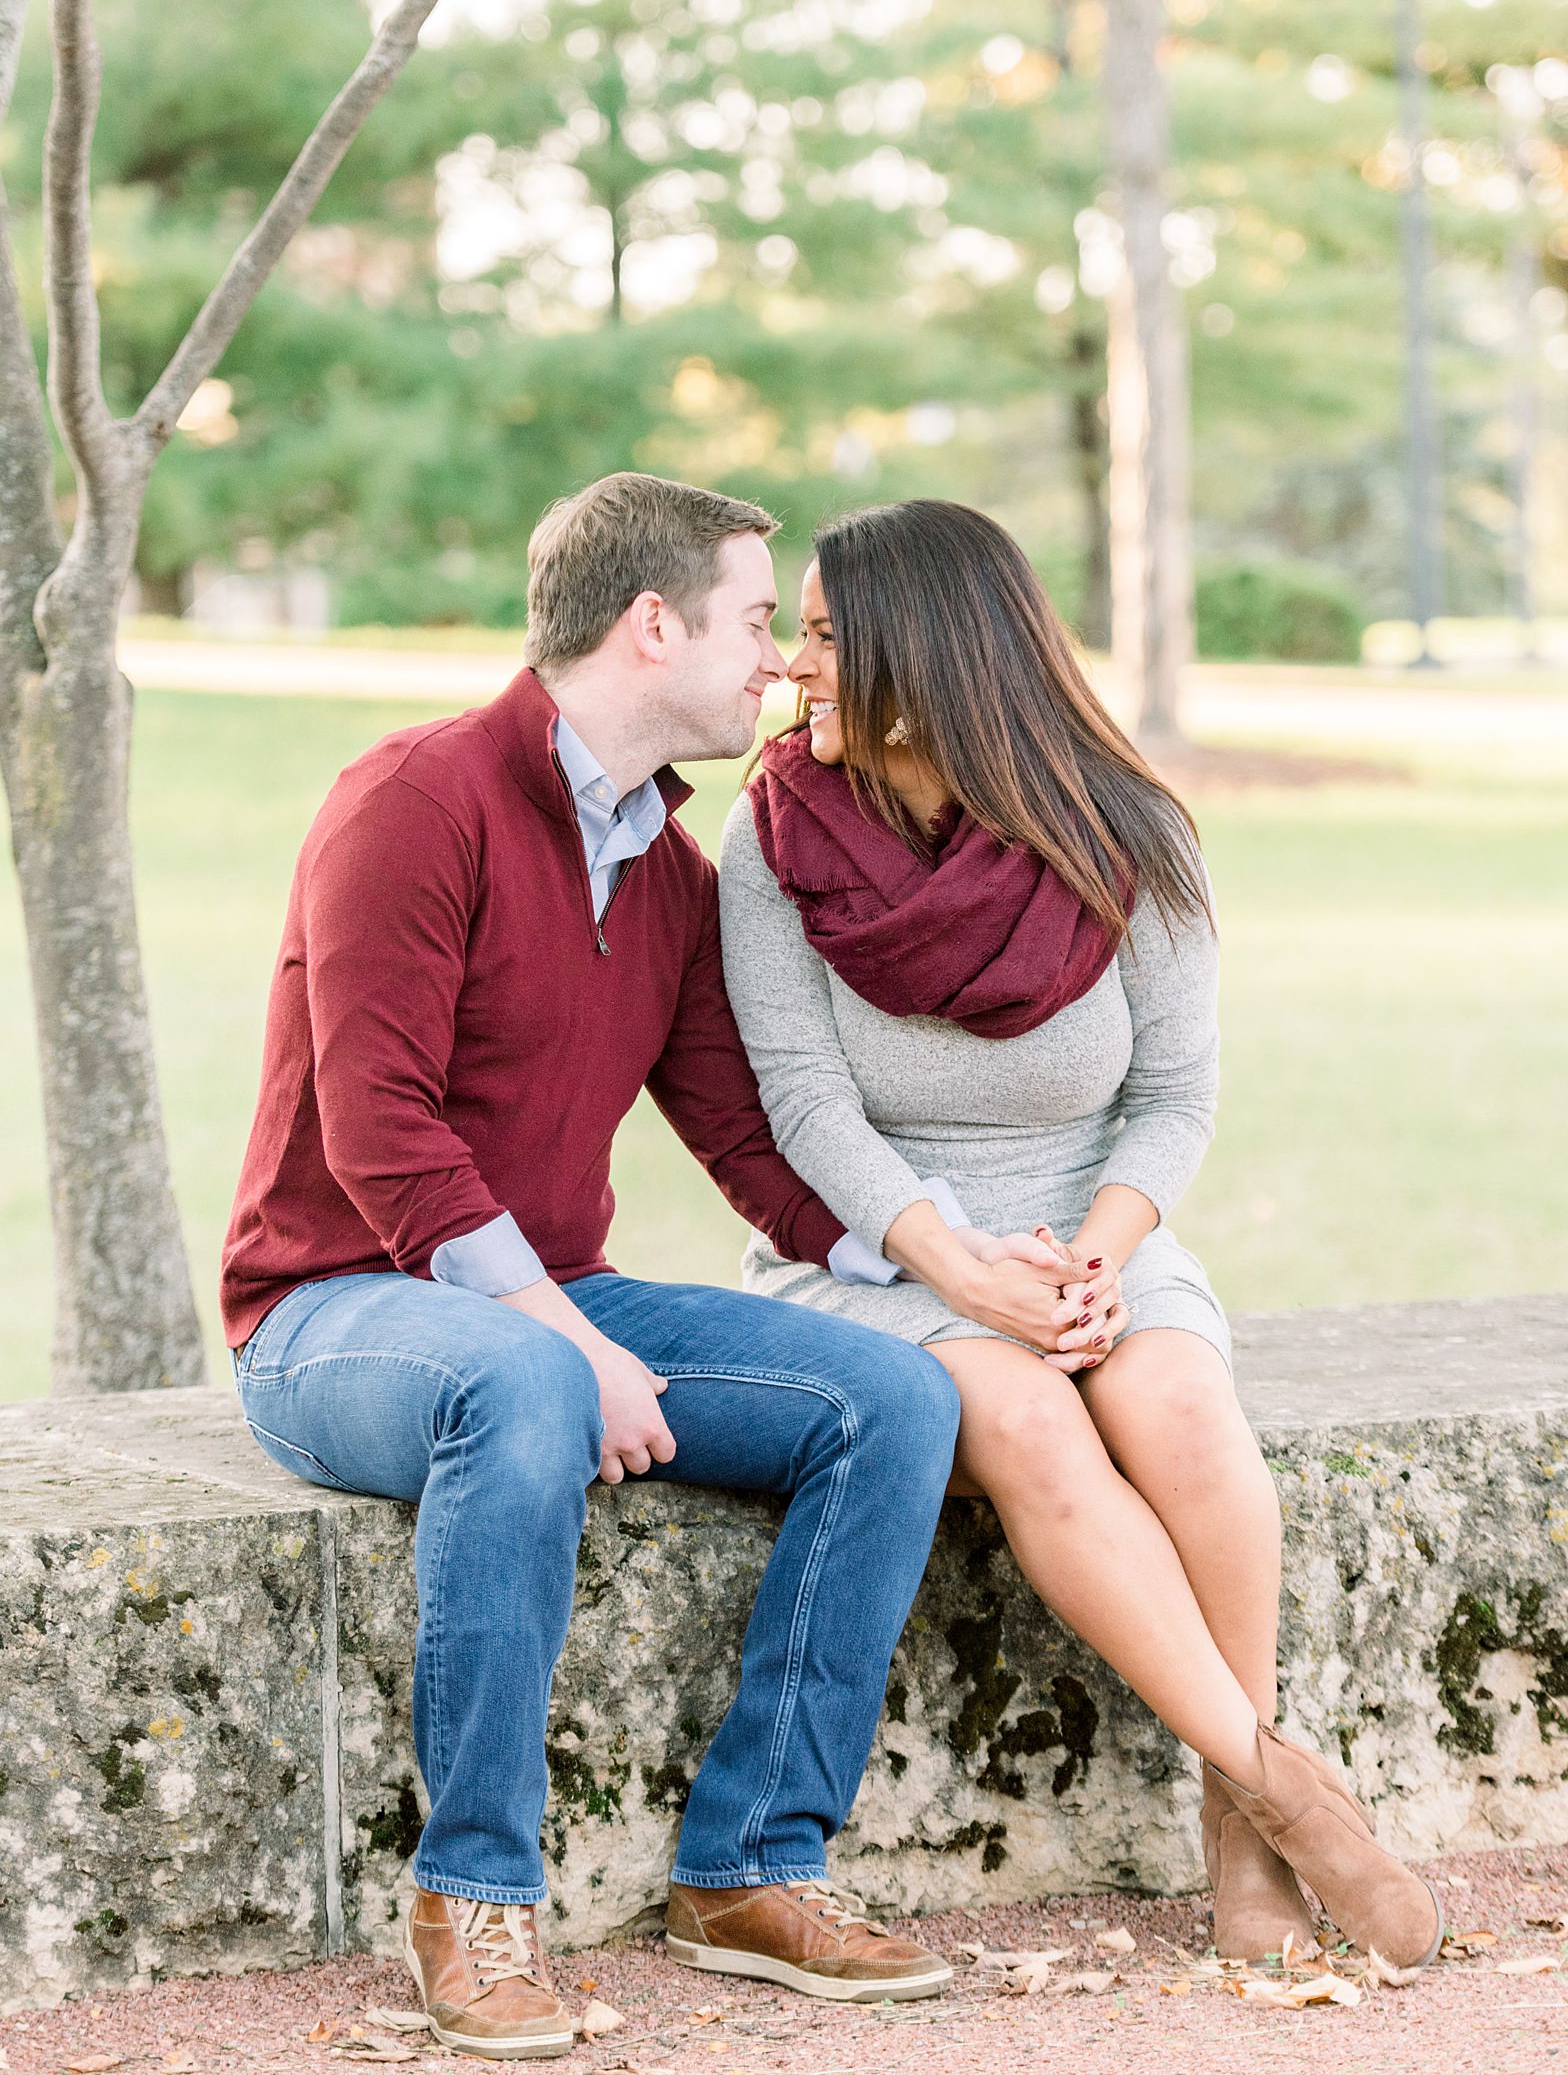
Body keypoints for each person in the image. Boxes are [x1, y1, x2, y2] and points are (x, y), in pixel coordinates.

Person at [221, 474, 1058, 2059]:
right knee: (530, 1376)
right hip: (330, 1313)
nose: (785, 664)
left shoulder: (668, 875)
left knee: (890, 1397)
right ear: (651, 623)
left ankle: (751, 1866)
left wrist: (953, 1265)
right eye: (759, 621)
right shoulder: (414, 799)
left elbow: (743, 1140)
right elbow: (381, 1130)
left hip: (541, 1302)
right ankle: (476, 1898)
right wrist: (563, 1337)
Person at [719, 498, 1444, 1974]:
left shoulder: (1127, 825)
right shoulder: (774, 831)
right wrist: (957, 1264)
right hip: (877, 1248)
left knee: (1177, 1405)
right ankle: (1283, 1785)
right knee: (1030, 1427)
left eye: (818, 635)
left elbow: (1174, 1097)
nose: (792, 670)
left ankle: (1237, 1837)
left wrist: (1099, 1258)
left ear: (922, 657)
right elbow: (802, 1107)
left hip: (1093, 1221)